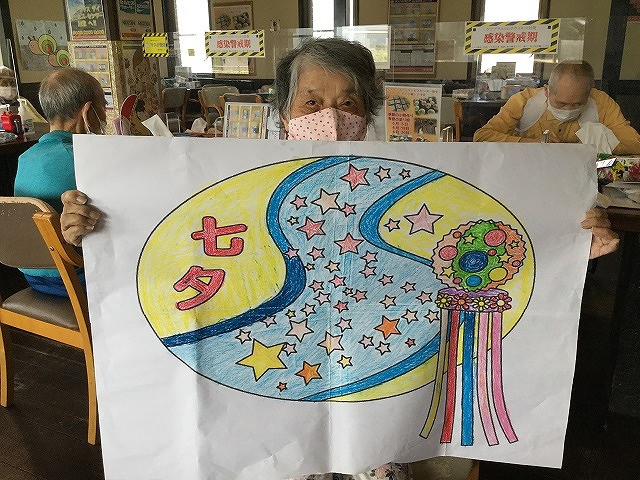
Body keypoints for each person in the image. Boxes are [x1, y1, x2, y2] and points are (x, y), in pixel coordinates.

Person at [57, 38, 618, 479]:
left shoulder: (417, 183)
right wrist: (97, 232)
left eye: (348, 102)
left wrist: (571, 248)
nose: (330, 116)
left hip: (376, 409)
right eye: (312, 102)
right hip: (263, 411)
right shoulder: (227, 184)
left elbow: (488, 254)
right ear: (283, 110)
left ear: (369, 111)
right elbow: (161, 262)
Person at [13, 67, 107, 296]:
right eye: (103, 107)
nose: (104, 117)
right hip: (76, 278)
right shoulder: (83, 159)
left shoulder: (24, 158)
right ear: (88, 111)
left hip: (32, 276)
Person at [473, 60, 640, 154]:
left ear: (589, 94)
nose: (568, 110)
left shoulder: (601, 103)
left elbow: (634, 143)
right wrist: (532, 143)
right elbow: (482, 136)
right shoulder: (525, 101)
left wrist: (598, 143)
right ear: (546, 91)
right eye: (561, 103)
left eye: (577, 104)